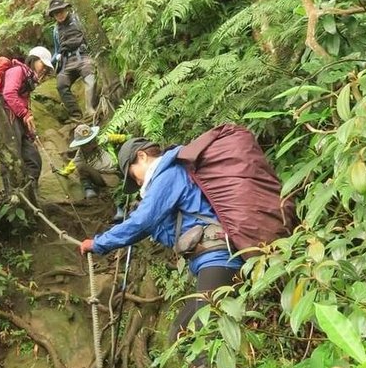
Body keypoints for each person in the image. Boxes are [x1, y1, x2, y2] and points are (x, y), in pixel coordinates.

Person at [79, 137, 243, 340]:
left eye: (133, 175)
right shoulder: (167, 177)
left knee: (201, 336)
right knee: (179, 335)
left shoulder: (168, 174)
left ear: (142, 156)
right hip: (210, 259)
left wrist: (98, 243)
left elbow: (141, 223)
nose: (137, 182)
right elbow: (163, 231)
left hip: (217, 256)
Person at [0, 46, 53, 187]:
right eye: (42, 64)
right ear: (33, 60)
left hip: (15, 120)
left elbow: (21, 105)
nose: (44, 69)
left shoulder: (28, 81)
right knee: (11, 157)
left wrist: (30, 133)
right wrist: (25, 114)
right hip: (5, 116)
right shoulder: (17, 70)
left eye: (46, 68)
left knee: (33, 159)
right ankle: (14, 196)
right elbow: (9, 93)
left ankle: (32, 194)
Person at [59, 123, 125, 221]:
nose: (90, 144)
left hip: (113, 173)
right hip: (98, 176)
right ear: (81, 145)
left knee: (114, 191)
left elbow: (113, 137)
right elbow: (73, 164)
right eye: (86, 144)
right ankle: (88, 189)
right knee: (82, 167)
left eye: (91, 141)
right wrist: (65, 172)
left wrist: (125, 137)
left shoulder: (101, 141)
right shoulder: (80, 154)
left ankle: (120, 210)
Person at [47, 0, 97, 121]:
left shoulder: (77, 20)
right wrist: (48, 63)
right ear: (53, 15)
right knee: (61, 85)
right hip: (67, 61)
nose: (59, 14)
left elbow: (90, 36)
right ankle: (76, 115)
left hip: (83, 56)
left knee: (90, 78)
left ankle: (89, 109)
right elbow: (58, 50)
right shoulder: (56, 30)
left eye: (61, 11)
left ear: (66, 9)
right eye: (56, 13)